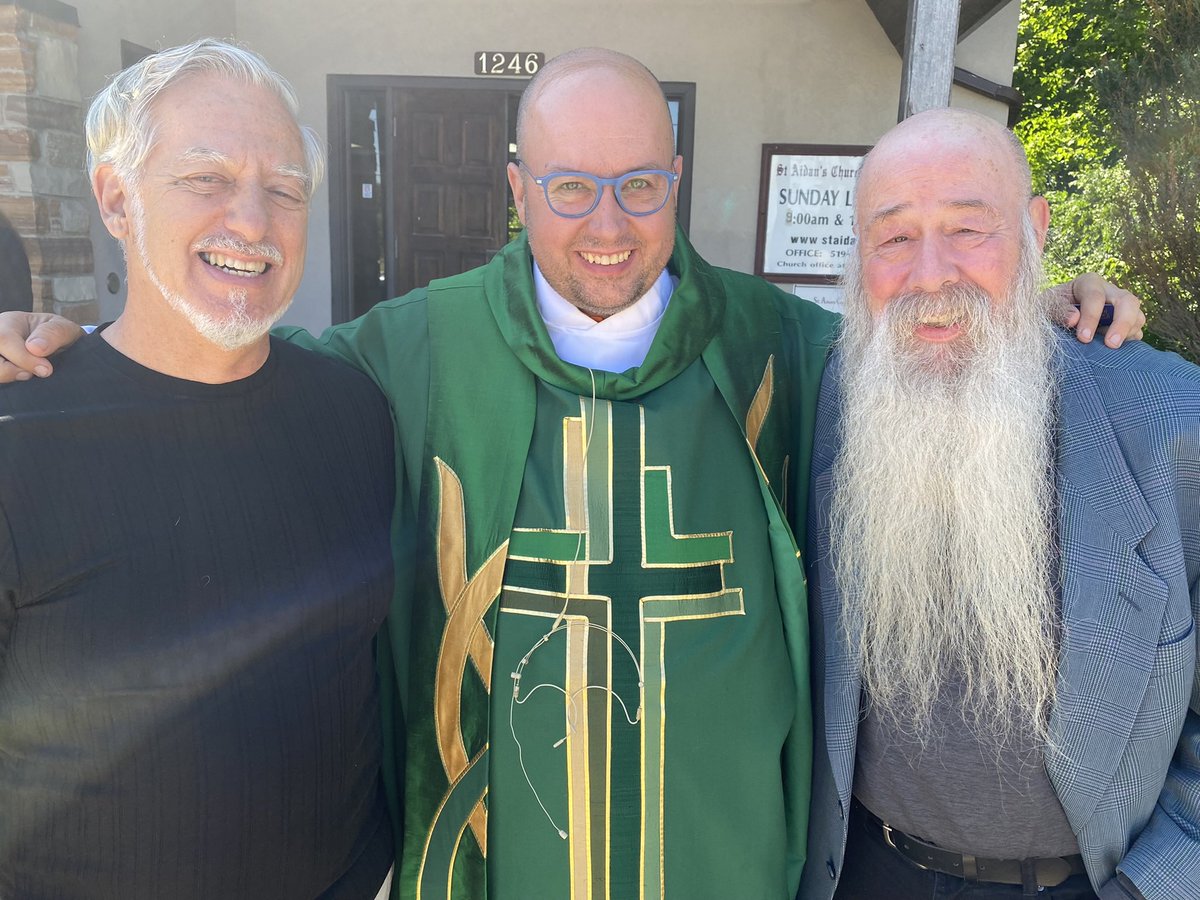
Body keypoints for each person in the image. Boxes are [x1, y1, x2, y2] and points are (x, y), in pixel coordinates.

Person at [0, 48, 1146, 900]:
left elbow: (930, 355)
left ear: (679, 181)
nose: (608, 223)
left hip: (729, 865)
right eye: (568, 187)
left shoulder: (778, 347)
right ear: (515, 187)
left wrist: (1033, 311)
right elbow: (214, 354)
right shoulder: (410, 349)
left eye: (640, 184)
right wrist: (56, 342)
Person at [0, 40, 397, 900]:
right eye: (205, 177)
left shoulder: (357, 413)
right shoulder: (15, 436)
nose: (252, 221)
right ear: (115, 197)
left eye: (284, 189)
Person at [802, 108, 1200, 900]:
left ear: (1035, 228)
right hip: (863, 874)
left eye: (968, 229)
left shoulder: (1172, 422)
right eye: (894, 237)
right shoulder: (828, 394)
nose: (930, 275)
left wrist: (1155, 886)